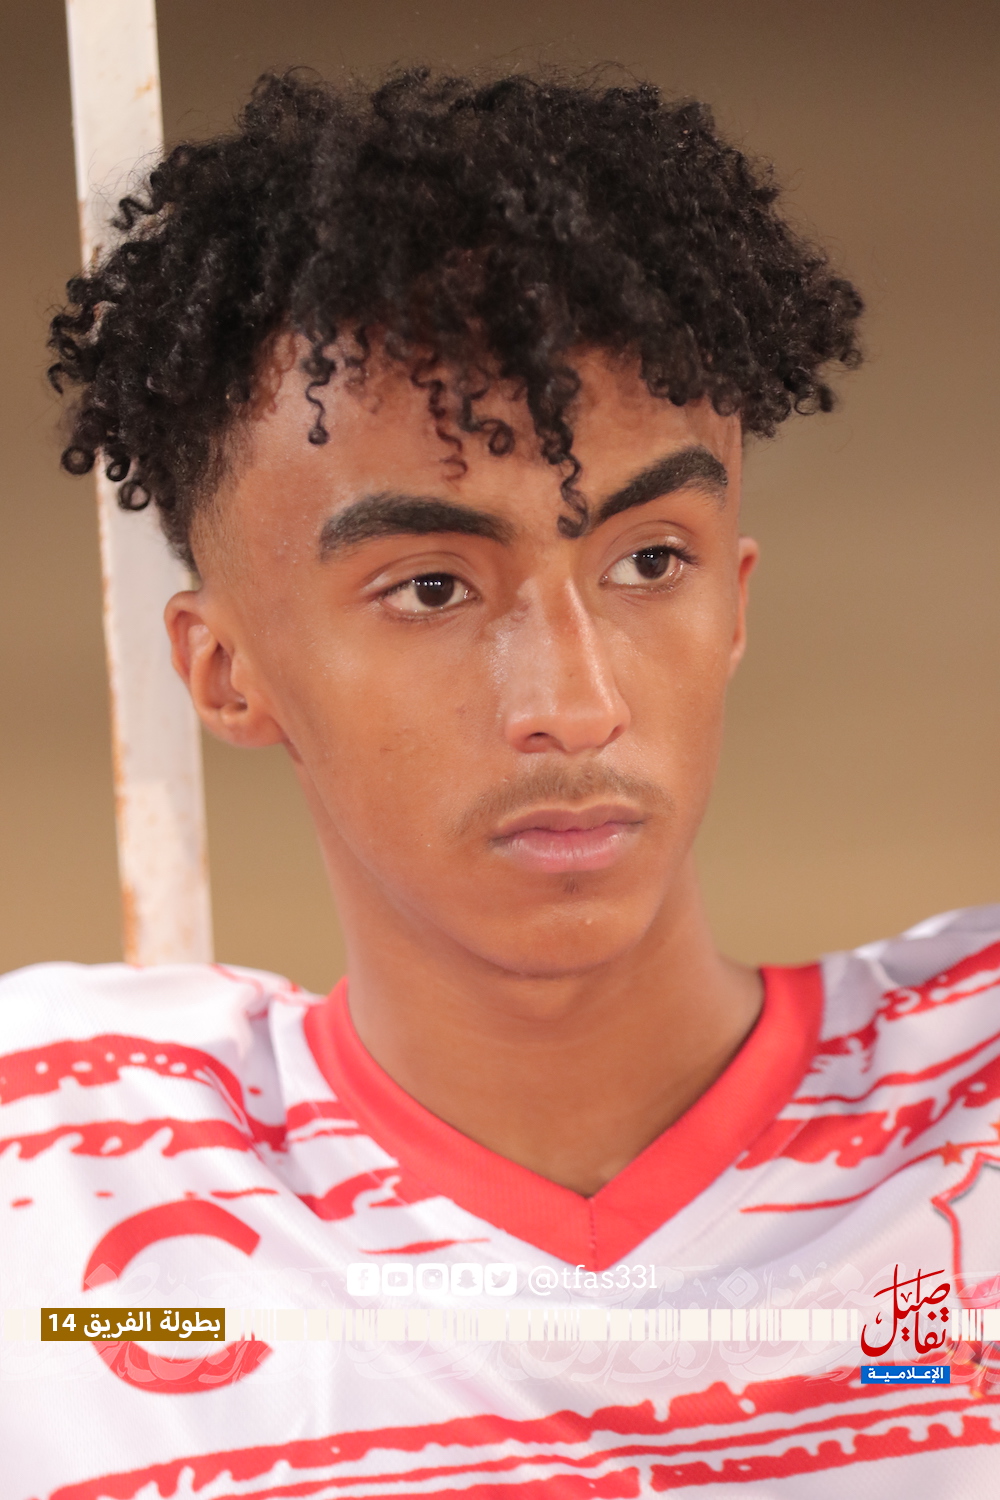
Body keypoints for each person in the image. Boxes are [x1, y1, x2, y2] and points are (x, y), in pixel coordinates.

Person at [3, 68, 998, 1498]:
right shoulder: (55, 1195)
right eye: (431, 586)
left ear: (734, 602)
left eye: (648, 561)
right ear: (226, 674)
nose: (574, 705)